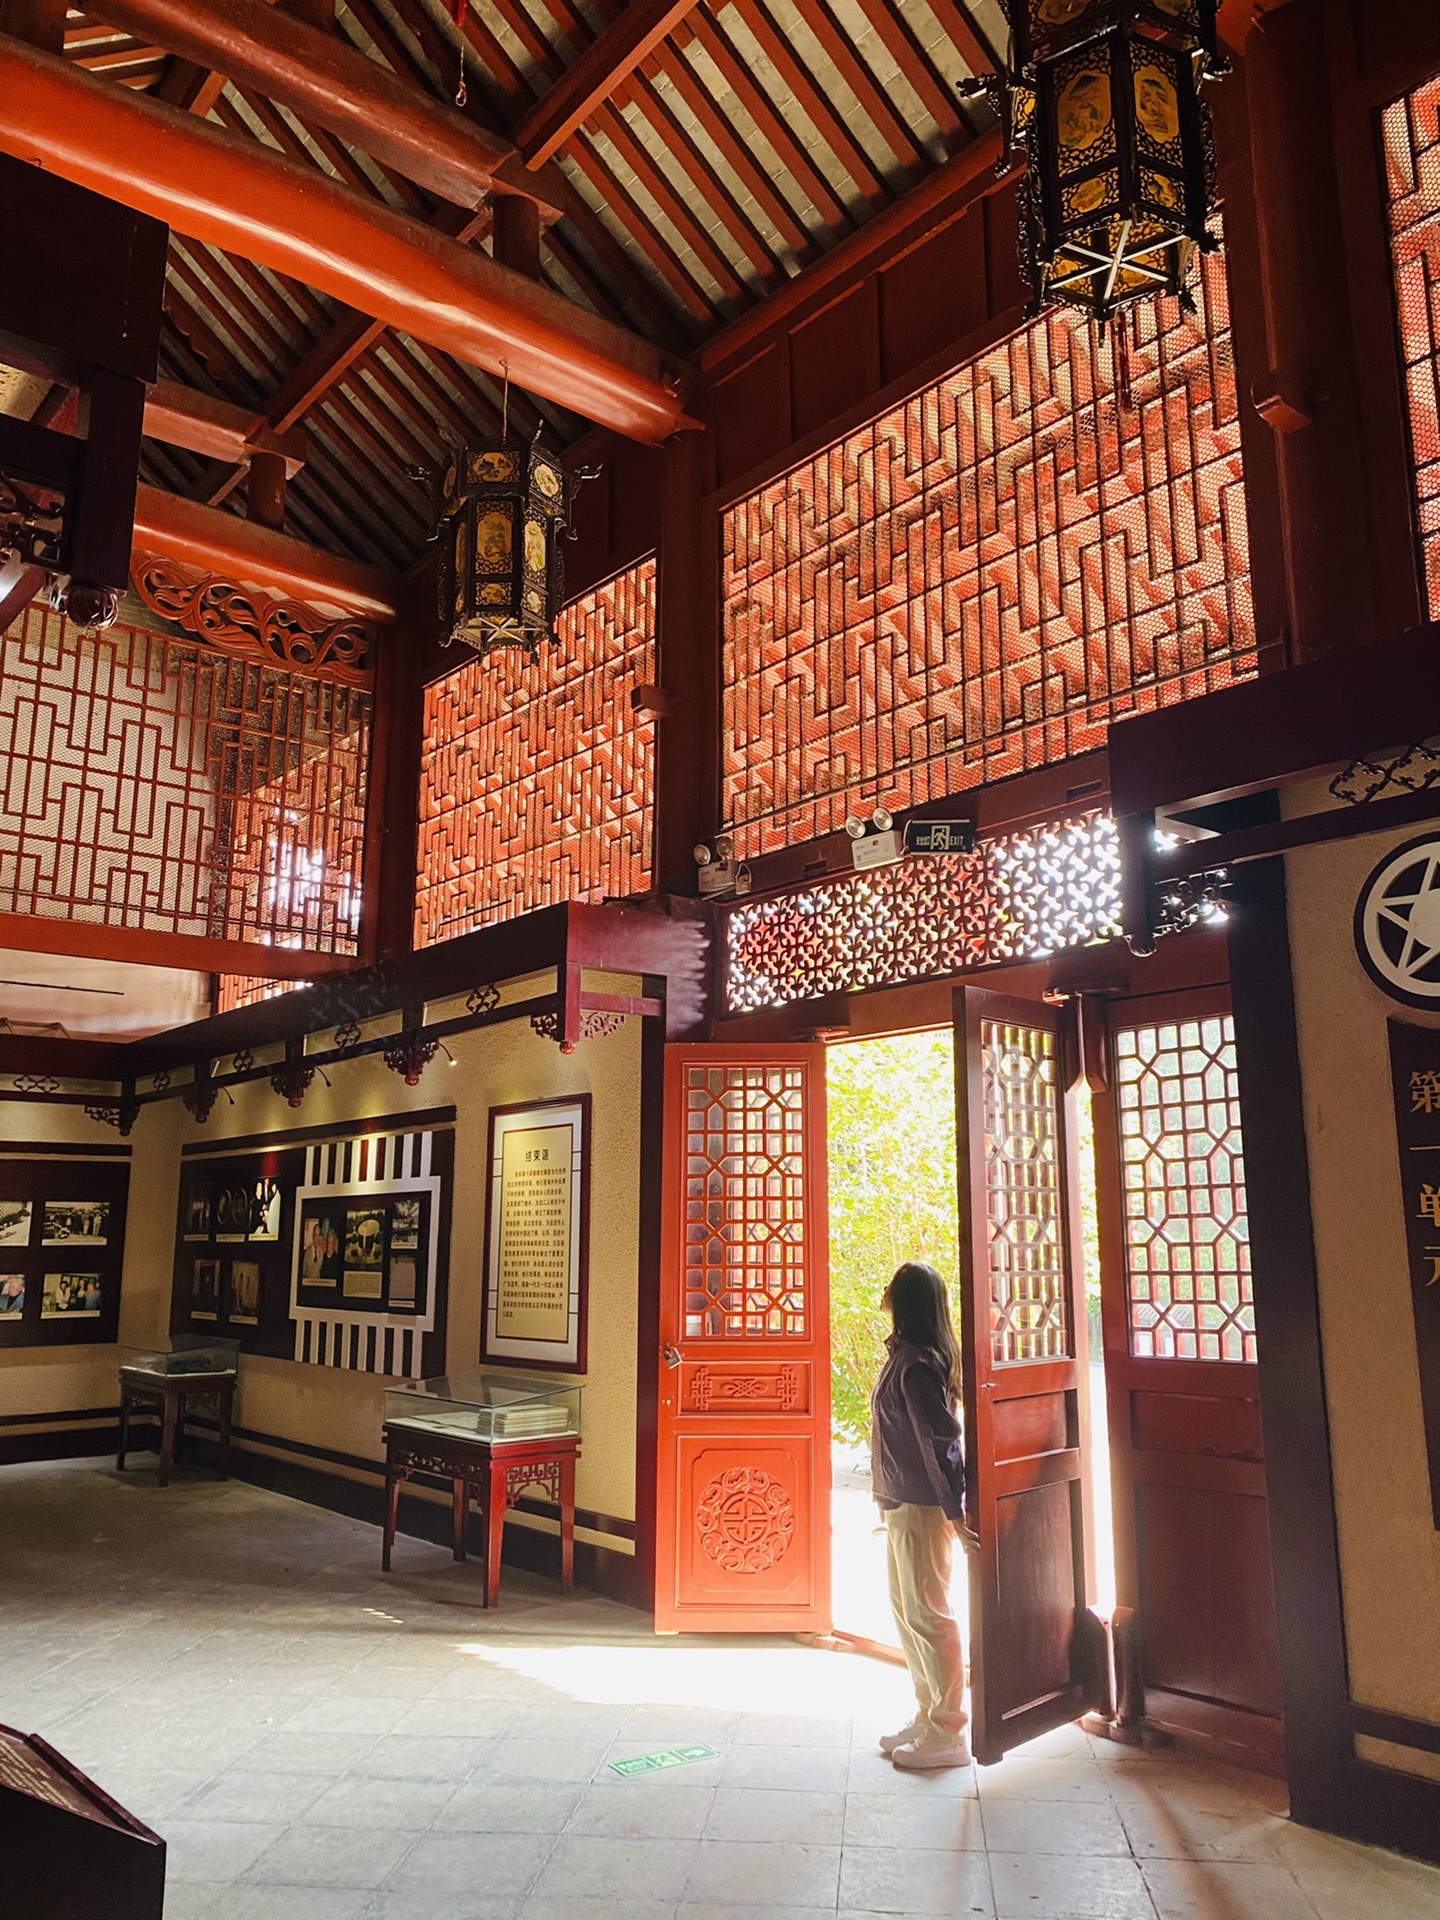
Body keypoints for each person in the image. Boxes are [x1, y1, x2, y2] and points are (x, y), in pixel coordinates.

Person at [871, 1259, 976, 1770]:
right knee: (908, 1613)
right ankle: (928, 1713)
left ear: (906, 1300)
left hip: (921, 1506)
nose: (884, 1292)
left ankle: (948, 1731)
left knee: (930, 1617)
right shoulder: (904, 1356)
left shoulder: (917, 1366)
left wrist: (954, 1513)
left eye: (892, 1286)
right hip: (900, 1503)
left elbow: (939, 1445)